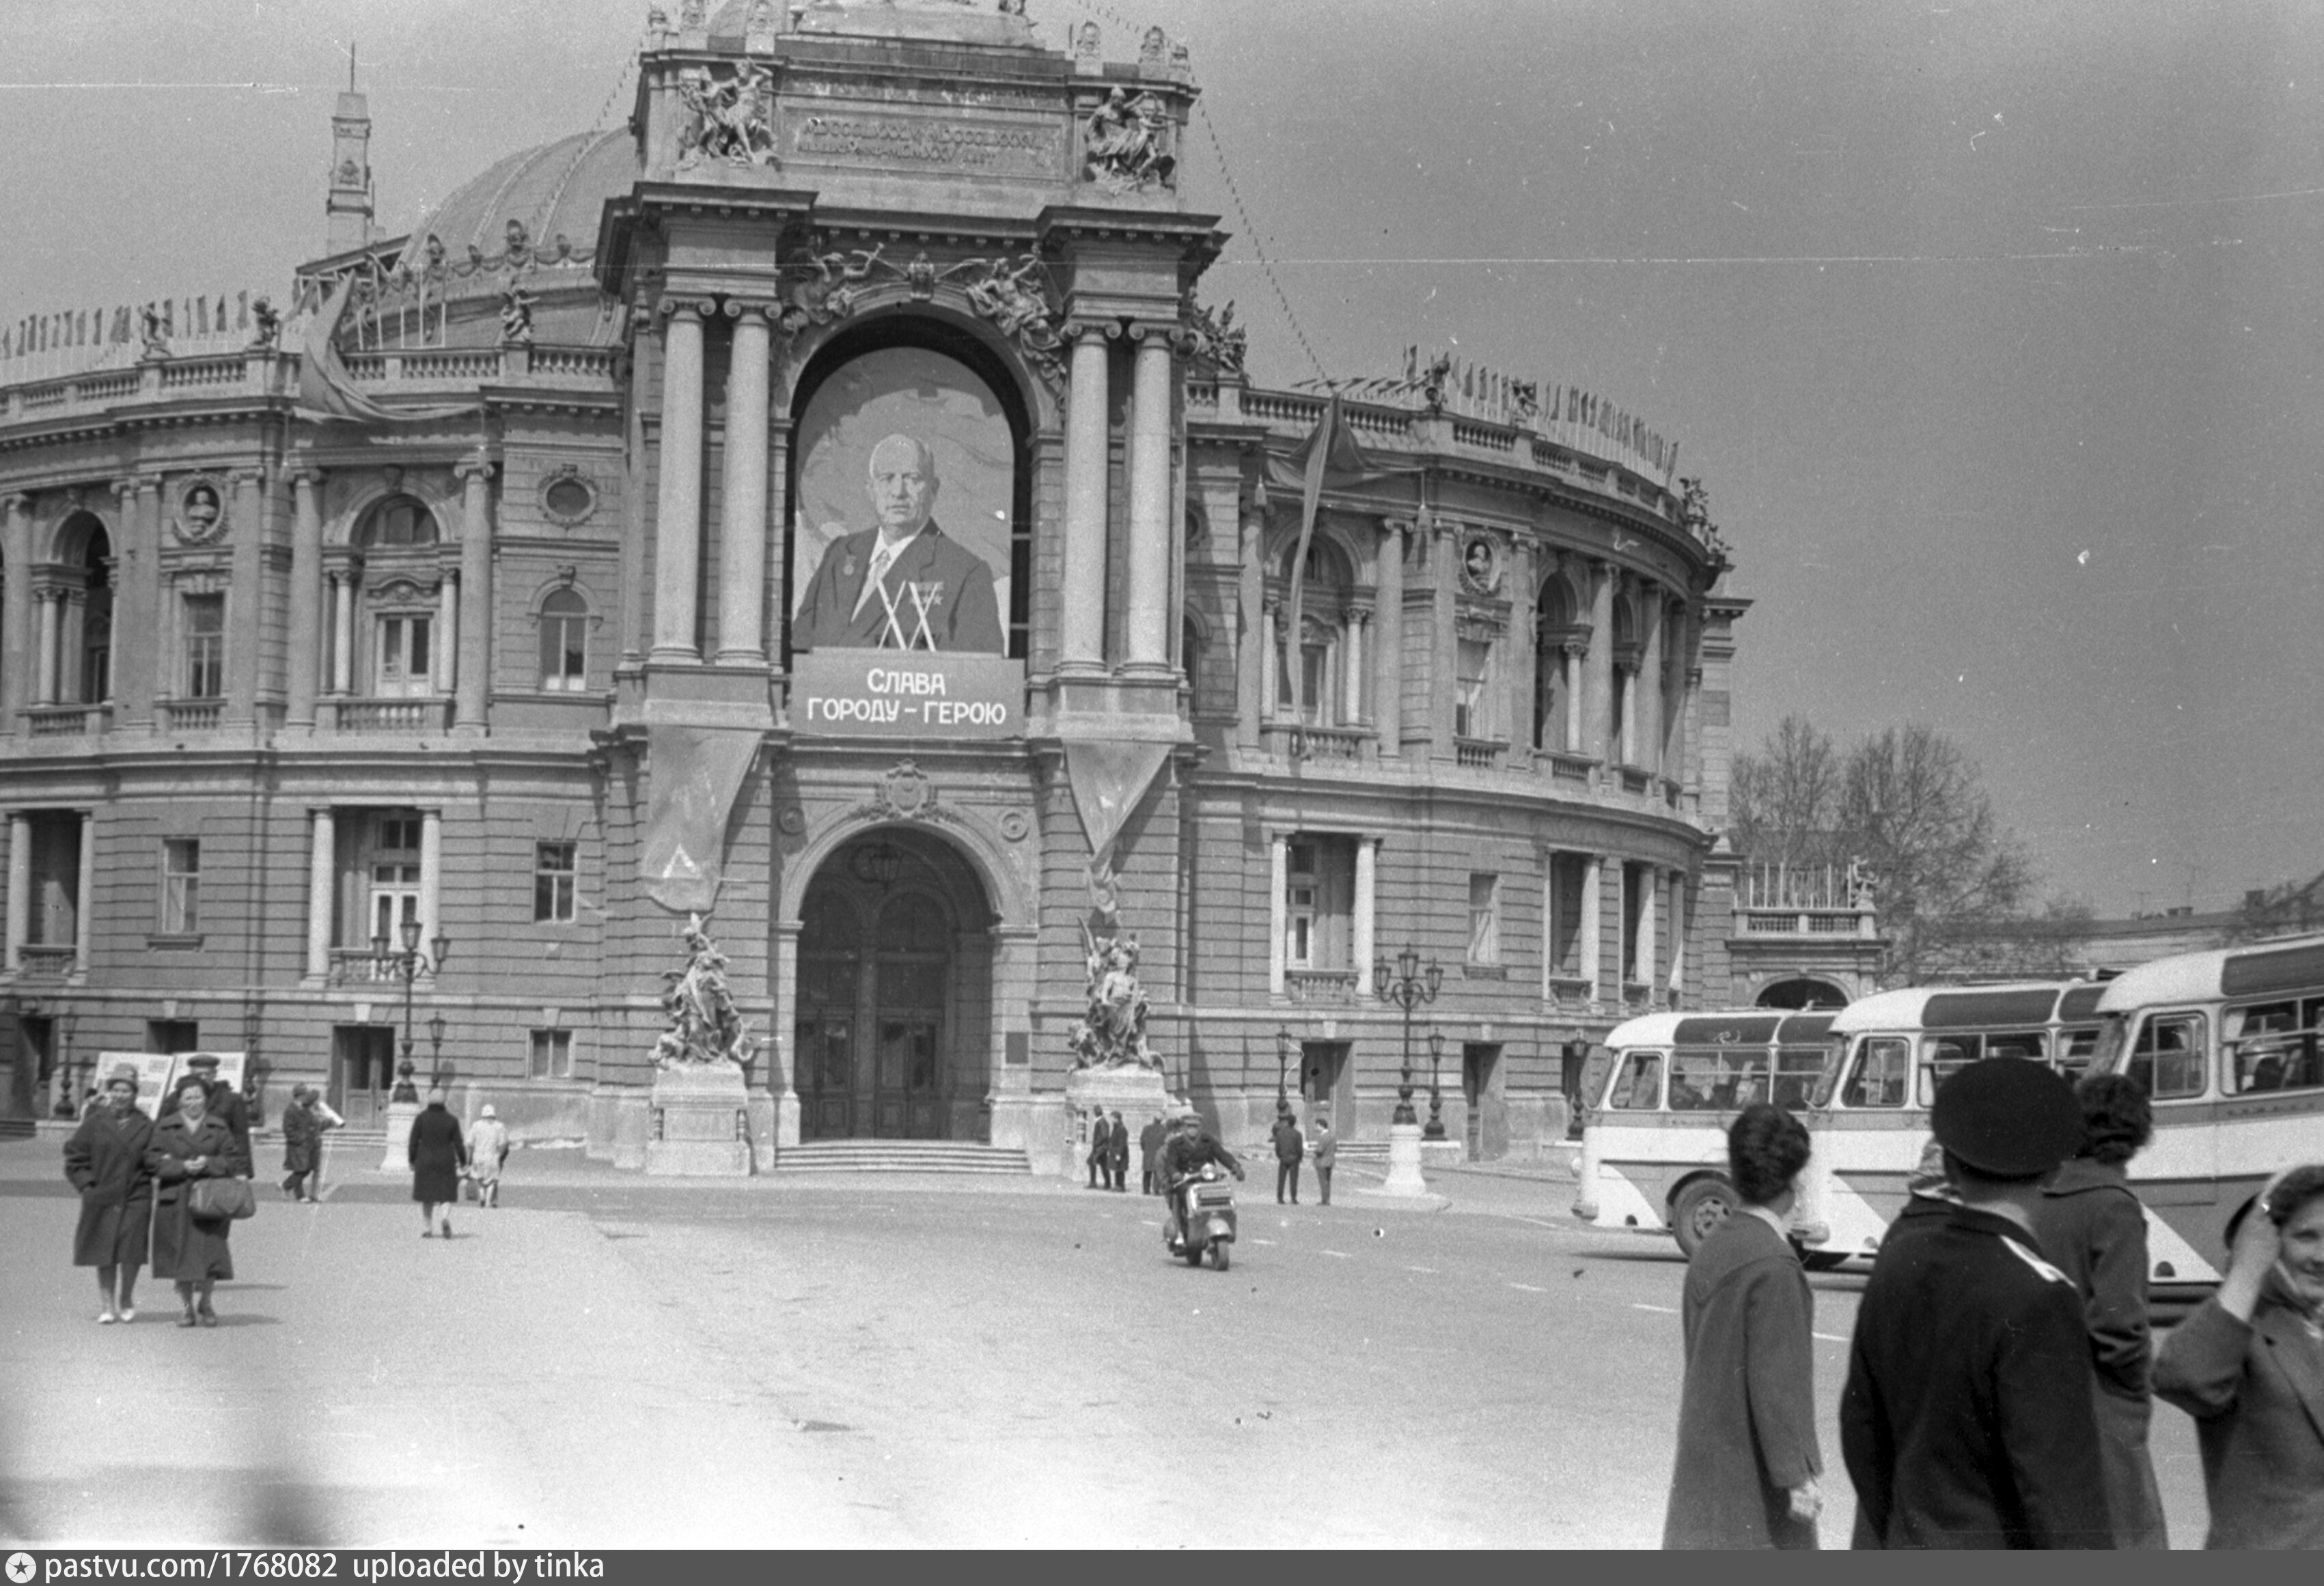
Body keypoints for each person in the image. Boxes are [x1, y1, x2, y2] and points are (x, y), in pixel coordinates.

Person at [1839, 1057, 2113, 1548]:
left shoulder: (1899, 1261)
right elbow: (2062, 1496)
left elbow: (1861, 1429)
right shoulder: (2042, 1295)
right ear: (2053, 1173)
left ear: (1947, 1165)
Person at [1663, 1104, 1823, 1548]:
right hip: (1753, 1492)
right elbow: (1780, 1387)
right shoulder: (1775, 1266)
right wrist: (1798, 1478)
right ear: (1794, 1182)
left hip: (1703, 1478)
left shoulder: (1712, 1247)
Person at [2030, 1074, 2169, 1548]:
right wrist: (2134, 1390)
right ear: (2137, 1137)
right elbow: (2119, 1324)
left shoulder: (2037, 1197)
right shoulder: (2114, 1206)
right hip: (2099, 1404)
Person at [2154, 1164, 2324, 1548]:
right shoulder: (2244, 1323)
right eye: (2306, 1237)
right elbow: (2184, 1380)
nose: (2322, 1256)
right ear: (2270, 1241)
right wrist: (2247, 1272)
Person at [791, 434, 1004, 653]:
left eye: (912, 479)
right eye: (886, 478)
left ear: (934, 489)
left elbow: (981, 674)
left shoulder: (965, 573)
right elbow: (800, 647)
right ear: (870, 489)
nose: (898, 492)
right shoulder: (840, 554)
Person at [147, 1074, 247, 1328]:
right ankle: (186, 1308)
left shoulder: (218, 1126)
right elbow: (151, 1160)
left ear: (206, 1099)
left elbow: (234, 1160)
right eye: (188, 1097)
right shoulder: (166, 1126)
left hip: (210, 1201)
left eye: (198, 1096)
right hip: (177, 1199)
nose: (194, 1102)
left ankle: (206, 1302)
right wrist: (181, 1166)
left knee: (210, 1255)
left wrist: (209, 1163)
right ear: (179, 1101)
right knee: (179, 1257)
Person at [64, 1064, 155, 1324]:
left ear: (134, 1094)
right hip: (102, 1195)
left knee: (131, 1251)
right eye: (116, 1090)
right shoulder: (94, 1122)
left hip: (136, 1196)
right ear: (109, 1092)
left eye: (126, 1090)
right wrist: (87, 1186)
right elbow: (74, 1158)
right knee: (104, 1252)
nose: (120, 1095)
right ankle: (107, 1305)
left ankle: (126, 1296)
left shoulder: (146, 1125)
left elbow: (155, 1158)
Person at [1158, 1107, 1244, 1249]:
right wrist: (1175, 1174)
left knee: (1221, 1193)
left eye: (1195, 1126)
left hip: (1207, 1179)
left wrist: (1235, 1167)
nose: (1193, 1129)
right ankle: (1180, 1231)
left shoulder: (1207, 1140)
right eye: (1189, 1126)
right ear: (1184, 1127)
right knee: (1180, 1197)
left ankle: (1223, 1220)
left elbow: (1222, 1154)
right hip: (1185, 1180)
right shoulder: (1176, 1144)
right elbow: (1170, 1164)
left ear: (1200, 1127)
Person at [158, 1054, 251, 1169]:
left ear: (215, 1074)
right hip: (182, 1165)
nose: (203, 1078)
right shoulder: (175, 1099)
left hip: (218, 1166)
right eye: (198, 1074)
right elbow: (160, 1132)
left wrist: (242, 1170)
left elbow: (240, 1138)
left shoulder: (231, 1100)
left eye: (208, 1074)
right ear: (191, 1075)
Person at [409, 1088, 469, 1239]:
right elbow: (459, 1144)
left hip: (425, 1160)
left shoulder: (421, 1118)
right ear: (444, 1102)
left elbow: (413, 1142)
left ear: (429, 1100)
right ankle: (444, 1218)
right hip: (446, 1160)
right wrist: (463, 1162)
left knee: (427, 1196)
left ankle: (428, 1229)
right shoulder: (452, 1120)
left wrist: (412, 1159)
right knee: (446, 1194)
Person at [279, 1085, 322, 1203]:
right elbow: (288, 1129)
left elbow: (311, 1124)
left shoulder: (304, 1109)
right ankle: (286, 1186)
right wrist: (299, 1139)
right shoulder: (291, 1110)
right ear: (299, 1096)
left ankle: (299, 1195)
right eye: (304, 1095)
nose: (306, 1097)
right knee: (302, 1169)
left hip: (305, 1145)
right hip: (296, 1146)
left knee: (303, 1169)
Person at [467, 1104, 511, 1208]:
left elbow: (469, 1143)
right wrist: (499, 1155)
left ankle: (482, 1195)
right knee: (492, 1180)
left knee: (479, 1178)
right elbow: (504, 1143)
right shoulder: (499, 1126)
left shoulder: (476, 1125)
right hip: (493, 1156)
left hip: (478, 1155)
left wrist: (472, 1153)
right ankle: (488, 1201)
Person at [1272, 1106, 1305, 1205]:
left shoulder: (1280, 1133)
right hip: (1294, 1159)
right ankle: (1293, 1198)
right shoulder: (1298, 1134)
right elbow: (1300, 1148)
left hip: (1283, 1158)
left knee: (1281, 1179)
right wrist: (1300, 1157)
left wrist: (1280, 1155)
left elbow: (1277, 1147)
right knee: (1293, 1179)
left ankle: (1280, 1198)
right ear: (1295, 1123)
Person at [1310, 1113, 1336, 1206]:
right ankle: (1327, 1199)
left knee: (1323, 1182)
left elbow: (1320, 1150)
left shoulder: (1323, 1137)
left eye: (1317, 1126)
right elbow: (1335, 1148)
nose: (1316, 1128)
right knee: (1328, 1182)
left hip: (1322, 1162)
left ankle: (1324, 1200)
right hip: (1330, 1161)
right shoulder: (1332, 1136)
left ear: (1321, 1126)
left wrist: (1312, 1150)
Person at [1139, 1113, 1166, 1196]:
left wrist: (1145, 1149)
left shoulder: (1147, 1128)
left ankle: (1146, 1189)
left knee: (1147, 1172)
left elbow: (1142, 1141)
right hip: (1158, 1153)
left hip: (1148, 1153)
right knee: (1157, 1173)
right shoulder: (1164, 1130)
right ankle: (1156, 1189)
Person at [1105, 1110, 1131, 1192]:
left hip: (1119, 1153)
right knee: (1117, 1169)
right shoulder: (1116, 1127)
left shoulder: (1121, 1128)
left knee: (1120, 1170)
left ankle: (1121, 1186)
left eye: (1113, 1118)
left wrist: (1119, 1153)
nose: (1112, 1120)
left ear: (1117, 1119)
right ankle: (1117, 1185)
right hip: (1115, 1151)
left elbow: (1122, 1142)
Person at [1084, 1108, 1107, 1189]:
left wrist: (1096, 1143)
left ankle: (1094, 1182)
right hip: (1100, 1148)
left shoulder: (1102, 1122)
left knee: (1095, 1163)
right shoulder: (1101, 1121)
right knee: (1101, 1164)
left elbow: (1104, 1136)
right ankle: (1096, 1182)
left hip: (1099, 1148)